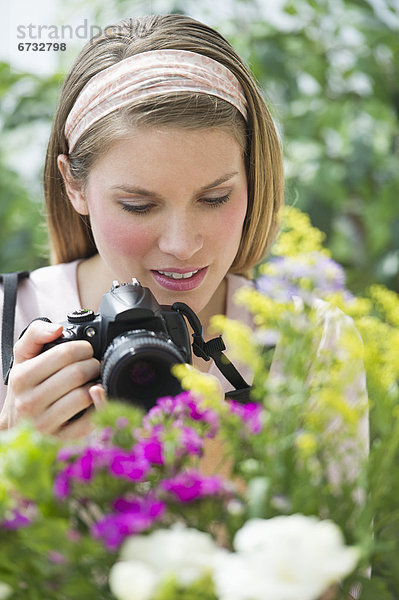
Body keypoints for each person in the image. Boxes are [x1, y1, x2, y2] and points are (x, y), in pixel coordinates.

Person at [0, 14, 284, 439]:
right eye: (138, 205)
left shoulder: (309, 344)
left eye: (214, 198)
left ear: (253, 177)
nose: (182, 245)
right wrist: (16, 457)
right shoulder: (8, 323)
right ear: (73, 185)